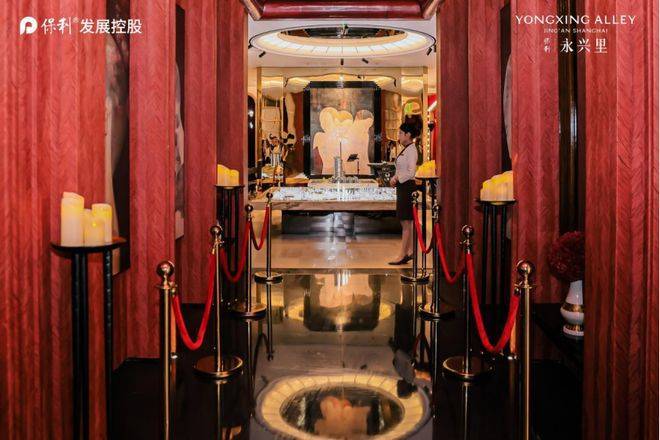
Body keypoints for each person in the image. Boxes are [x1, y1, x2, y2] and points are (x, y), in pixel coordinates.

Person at [388, 122, 420, 265]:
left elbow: (411, 172)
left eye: (401, 133)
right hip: (403, 187)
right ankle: (410, 251)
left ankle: (402, 254)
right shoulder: (406, 149)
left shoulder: (411, 150)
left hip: (407, 187)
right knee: (406, 222)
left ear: (408, 135)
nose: (399, 136)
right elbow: (402, 169)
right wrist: (395, 177)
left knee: (406, 222)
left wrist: (396, 178)